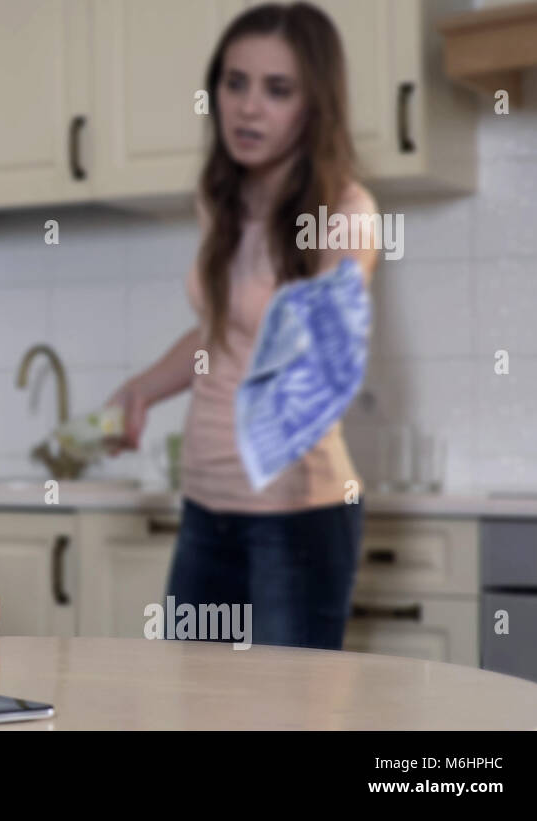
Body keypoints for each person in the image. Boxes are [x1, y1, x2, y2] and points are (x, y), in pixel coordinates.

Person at [104, 3, 381, 650]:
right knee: (195, 707)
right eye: (235, 83)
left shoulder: (345, 211)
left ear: (314, 105)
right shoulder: (221, 203)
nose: (249, 108)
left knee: (292, 716)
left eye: (277, 89)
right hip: (205, 504)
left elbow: (327, 356)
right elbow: (221, 333)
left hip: (297, 513)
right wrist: (141, 389)